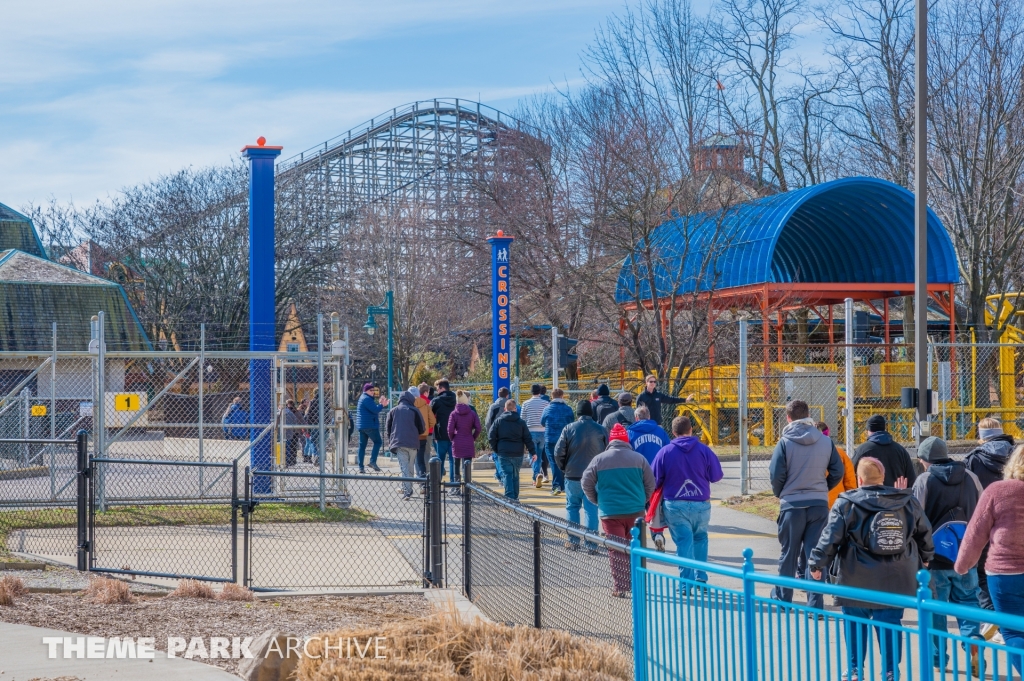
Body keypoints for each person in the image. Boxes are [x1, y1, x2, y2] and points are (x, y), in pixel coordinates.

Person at [809, 457, 935, 681]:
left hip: (855, 575)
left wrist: (817, 563)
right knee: (890, 624)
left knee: (855, 622)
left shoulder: (846, 503)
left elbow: (830, 538)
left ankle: (855, 668)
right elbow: (924, 533)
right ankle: (890, 671)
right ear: (883, 477)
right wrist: (926, 558)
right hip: (897, 576)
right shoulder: (906, 501)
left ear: (859, 479)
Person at [911, 436, 984, 668]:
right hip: (967, 554)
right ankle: (973, 640)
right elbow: (981, 513)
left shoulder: (924, 480)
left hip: (934, 558)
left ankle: (938, 657)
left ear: (925, 460)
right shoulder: (971, 477)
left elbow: (915, 518)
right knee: (969, 601)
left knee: (936, 608)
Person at [769, 399, 845, 609]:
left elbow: (776, 475)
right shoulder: (826, 442)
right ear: (809, 415)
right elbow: (838, 471)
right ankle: (815, 605)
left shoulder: (784, 442)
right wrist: (823, 488)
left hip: (792, 505)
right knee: (815, 555)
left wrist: (781, 492)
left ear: (788, 417)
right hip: (818, 504)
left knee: (789, 554)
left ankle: (784, 599)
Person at [955, 445, 1024, 674]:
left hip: (1005, 574)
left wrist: (962, 565)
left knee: (1013, 631)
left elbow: (976, 533)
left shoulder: (997, 491)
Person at [582, 423, 655, 597]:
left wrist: (598, 500)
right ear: (626, 440)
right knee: (634, 548)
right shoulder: (639, 459)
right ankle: (637, 584)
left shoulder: (599, 460)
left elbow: (586, 483)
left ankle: (620, 587)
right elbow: (650, 484)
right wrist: (641, 499)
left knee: (616, 550)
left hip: (610, 512)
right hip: (635, 512)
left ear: (611, 440)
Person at [651, 416, 724, 579]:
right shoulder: (704, 450)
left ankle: (686, 582)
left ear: (674, 433)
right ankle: (701, 576)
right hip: (701, 503)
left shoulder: (665, 452)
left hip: (675, 504)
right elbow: (716, 476)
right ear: (691, 430)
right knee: (701, 538)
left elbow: (654, 480)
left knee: (684, 541)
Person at [964, 418, 1013, 613]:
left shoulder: (973, 459)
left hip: (984, 518)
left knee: (983, 569)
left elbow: (967, 490)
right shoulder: (1017, 456)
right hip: (1015, 520)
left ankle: (990, 612)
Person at [554, 400, 607, 550]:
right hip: (594, 477)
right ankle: (591, 544)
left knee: (572, 507)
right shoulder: (601, 430)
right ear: (591, 413)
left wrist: (564, 468)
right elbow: (607, 452)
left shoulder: (568, 429)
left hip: (572, 475)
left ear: (577, 413)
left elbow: (558, 452)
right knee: (591, 509)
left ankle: (573, 540)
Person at [852, 415, 918, 488]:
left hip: (869, 497)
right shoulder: (901, 450)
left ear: (868, 430)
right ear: (884, 428)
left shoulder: (862, 450)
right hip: (896, 496)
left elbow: (850, 476)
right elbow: (911, 480)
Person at [488, 399, 535, 500]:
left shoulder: (499, 421)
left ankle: (510, 497)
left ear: (505, 409)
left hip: (503, 452)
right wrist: (533, 452)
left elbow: (491, 436)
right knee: (515, 474)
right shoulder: (521, 422)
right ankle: (515, 497)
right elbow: (527, 438)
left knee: (507, 474)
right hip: (518, 452)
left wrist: (496, 449)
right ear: (515, 409)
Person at [385, 389, 425, 500]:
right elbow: (422, 428)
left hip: (399, 443)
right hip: (413, 443)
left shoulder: (393, 411)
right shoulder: (415, 410)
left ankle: (407, 491)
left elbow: (388, 428)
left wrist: (390, 439)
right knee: (410, 466)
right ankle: (408, 488)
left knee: (404, 467)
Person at [540, 388, 574, 496]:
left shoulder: (547, 409)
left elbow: (542, 422)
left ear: (552, 396)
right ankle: (564, 485)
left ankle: (556, 486)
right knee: (564, 461)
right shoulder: (568, 409)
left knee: (554, 462)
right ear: (562, 396)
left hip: (550, 439)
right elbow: (572, 422)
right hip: (565, 439)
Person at [817, 422, 857, 508]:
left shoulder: (807, 454)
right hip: (837, 502)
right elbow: (850, 481)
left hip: (815, 502)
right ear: (828, 433)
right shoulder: (840, 453)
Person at [447, 390, 481, 487]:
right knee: (467, 464)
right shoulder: (472, 413)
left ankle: (456, 486)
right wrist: (473, 437)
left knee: (456, 464)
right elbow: (478, 428)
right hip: (468, 439)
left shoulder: (453, 414)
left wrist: (452, 438)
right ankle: (467, 486)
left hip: (457, 440)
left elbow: (449, 430)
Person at [520, 384, 550, 487]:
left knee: (532, 455)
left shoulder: (526, 403)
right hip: (542, 431)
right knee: (540, 454)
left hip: (530, 431)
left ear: (531, 392)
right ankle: (537, 475)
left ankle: (536, 474)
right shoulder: (545, 403)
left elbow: (522, 419)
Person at [356, 383, 388, 473]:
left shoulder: (363, 398)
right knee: (378, 442)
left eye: (374, 390)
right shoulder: (366, 398)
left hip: (362, 426)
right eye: (371, 390)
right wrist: (382, 404)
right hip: (370, 425)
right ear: (366, 391)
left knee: (362, 446)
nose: (373, 392)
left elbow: (373, 409)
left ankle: (361, 467)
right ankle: (372, 461)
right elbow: (375, 410)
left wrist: (380, 404)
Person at [430, 379, 458, 481]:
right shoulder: (456, 400)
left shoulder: (436, 401)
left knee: (439, 460)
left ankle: (437, 483)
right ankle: (453, 483)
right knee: (453, 460)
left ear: (442, 388)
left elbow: (430, 415)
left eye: (438, 389)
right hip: (454, 434)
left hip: (440, 434)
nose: (437, 391)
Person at [414, 383, 436, 479]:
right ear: (426, 392)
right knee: (426, 453)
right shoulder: (428, 403)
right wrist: (427, 428)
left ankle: (418, 473)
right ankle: (426, 473)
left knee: (416, 454)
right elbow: (433, 420)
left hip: (414, 433)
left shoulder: (412, 403)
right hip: (427, 433)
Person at [279, 399, 304, 467]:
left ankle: (282, 461)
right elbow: (296, 421)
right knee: (289, 447)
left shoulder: (280, 412)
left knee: (283, 447)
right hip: (291, 432)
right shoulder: (292, 412)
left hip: (282, 432)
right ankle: (288, 461)